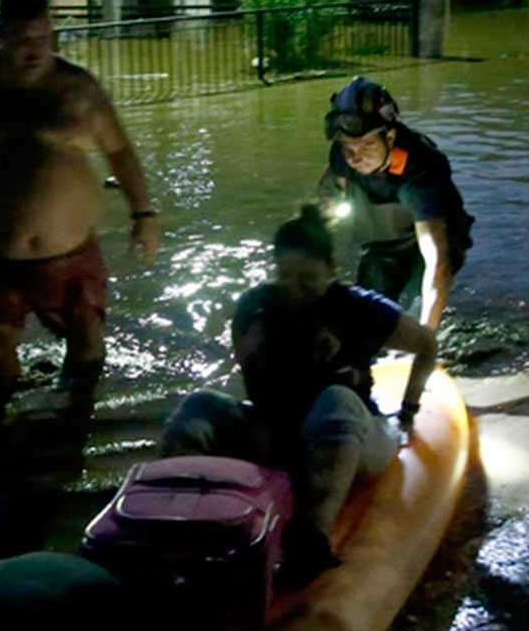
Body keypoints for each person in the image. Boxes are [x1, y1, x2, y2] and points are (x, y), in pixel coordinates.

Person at [160, 205, 440, 586]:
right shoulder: (255, 308)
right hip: (282, 440)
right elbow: (255, 387)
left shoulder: (359, 308)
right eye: (286, 276)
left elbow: (427, 346)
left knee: (335, 399)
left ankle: (312, 538)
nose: (295, 289)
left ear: (331, 269)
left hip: (353, 442)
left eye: (307, 278)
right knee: (199, 406)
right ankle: (167, 519)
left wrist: (408, 410)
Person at [0, 0, 162, 425]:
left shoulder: (77, 88)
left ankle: (78, 438)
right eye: (20, 39)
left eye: (41, 37)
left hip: (70, 254)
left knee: (88, 351)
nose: (33, 50)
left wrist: (144, 216)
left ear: (52, 36)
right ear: (0, 37)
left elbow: (120, 153)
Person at [320, 76, 474, 329]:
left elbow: (438, 259)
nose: (356, 158)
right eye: (348, 148)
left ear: (390, 138)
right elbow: (322, 206)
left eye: (368, 145)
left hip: (433, 238)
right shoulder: (341, 157)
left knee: (415, 318)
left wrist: (426, 337)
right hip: (382, 245)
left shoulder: (421, 169)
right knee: (366, 317)